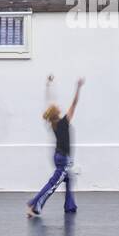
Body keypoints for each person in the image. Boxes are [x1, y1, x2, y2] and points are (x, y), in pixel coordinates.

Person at [27, 75, 83, 218]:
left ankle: (70, 206)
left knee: (69, 179)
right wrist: (78, 88)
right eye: (57, 107)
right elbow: (74, 103)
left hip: (58, 156)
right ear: (56, 112)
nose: (59, 106)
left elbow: (49, 102)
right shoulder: (64, 122)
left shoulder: (53, 123)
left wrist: (48, 85)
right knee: (53, 184)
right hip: (63, 158)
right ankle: (34, 204)